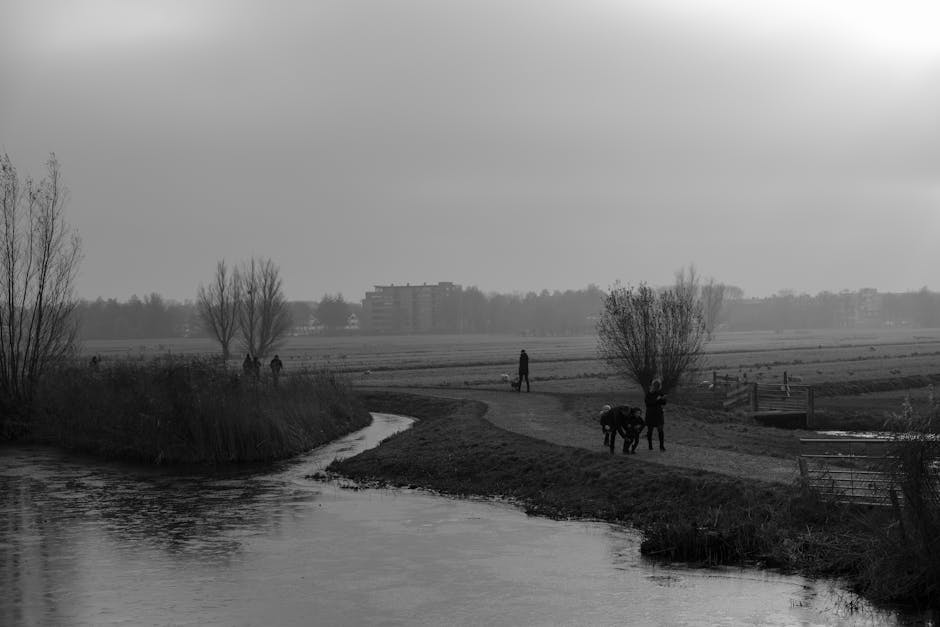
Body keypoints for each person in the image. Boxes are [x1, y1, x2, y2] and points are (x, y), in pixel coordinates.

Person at [644, 378, 667, 451]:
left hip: (658, 413)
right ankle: (650, 445)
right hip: (651, 413)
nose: (656, 387)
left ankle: (661, 446)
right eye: (655, 385)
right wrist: (657, 400)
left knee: (660, 430)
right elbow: (648, 404)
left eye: (658, 386)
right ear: (653, 385)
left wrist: (663, 399)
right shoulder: (648, 394)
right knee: (650, 430)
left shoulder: (660, 393)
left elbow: (664, 403)